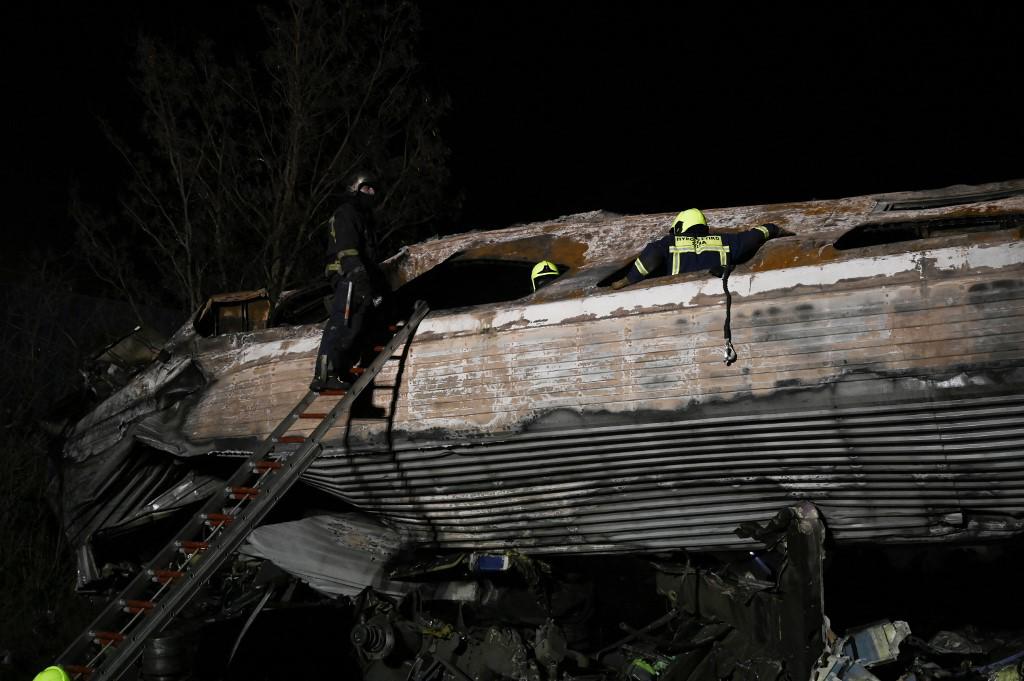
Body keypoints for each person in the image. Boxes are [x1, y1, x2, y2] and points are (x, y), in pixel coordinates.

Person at [310, 172, 389, 392]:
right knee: (341, 323)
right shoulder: (347, 213)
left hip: (361, 279)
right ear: (354, 190)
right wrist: (357, 273)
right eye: (366, 188)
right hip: (349, 276)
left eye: (374, 190)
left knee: (355, 326)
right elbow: (346, 248)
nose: (371, 193)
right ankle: (324, 373)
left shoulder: (364, 219)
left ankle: (339, 370)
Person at [610, 208, 782, 289]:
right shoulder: (725, 241)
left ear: (679, 228)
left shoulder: (667, 244)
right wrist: (775, 230)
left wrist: (629, 279)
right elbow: (754, 236)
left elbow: (653, 254)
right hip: (718, 299)